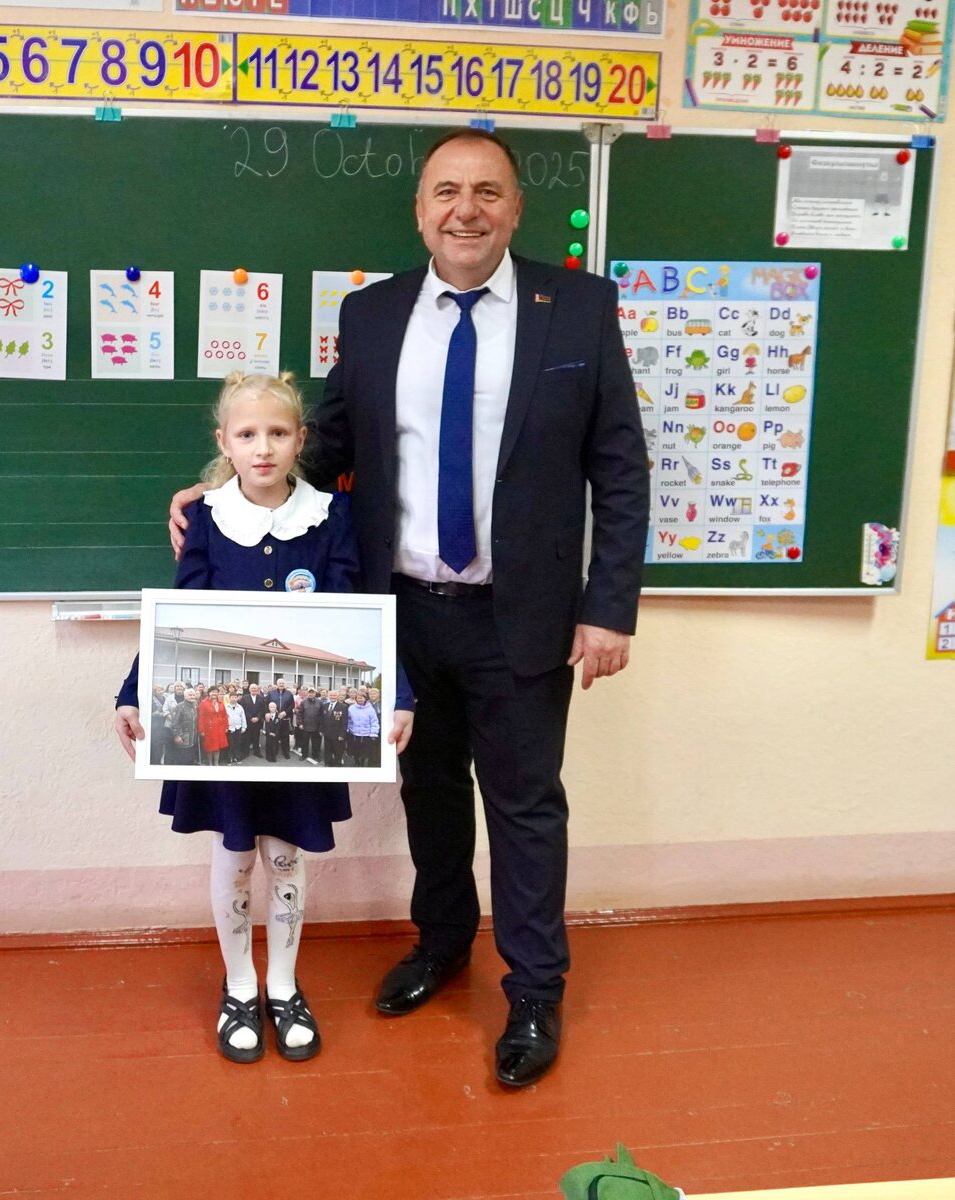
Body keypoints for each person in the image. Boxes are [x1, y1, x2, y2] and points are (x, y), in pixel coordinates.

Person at [170, 128, 649, 1087]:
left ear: (516, 207)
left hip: (524, 614)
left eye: (486, 192)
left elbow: (620, 466)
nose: (465, 210)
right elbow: (325, 441)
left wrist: (611, 608)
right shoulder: (374, 312)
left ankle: (534, 990)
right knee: (428, 792)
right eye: (446, 192)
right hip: (398, 612)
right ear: (421, 209)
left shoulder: (580, 308)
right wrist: (220, 490)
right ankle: (441, 945)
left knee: (525, 806)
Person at [117, 370, 414, 1065]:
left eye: (278, 433)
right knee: (235, 853)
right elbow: (181, 614)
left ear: (301, 440)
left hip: (300, 745)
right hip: (228, 741)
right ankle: (239, 985)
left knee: (284, 853)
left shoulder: (329, 517)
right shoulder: (208, 519)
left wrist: (399, 692)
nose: (263, 448)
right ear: (224, 441)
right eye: (247, 434)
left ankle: (283, 984)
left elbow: (357, 615)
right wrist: (132, 691)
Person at [346, 690, 381, 766]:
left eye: (361, 698)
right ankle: (356, 762)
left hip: (366, 734)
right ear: (356, 699)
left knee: (364, 751)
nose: (360, 699)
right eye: (358, 698)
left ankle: (362, 762)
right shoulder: (351, 708)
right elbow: (348, 720)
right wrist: (348, 729)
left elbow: (374, 722)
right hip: (354, 734)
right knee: (355, 750)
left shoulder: (370, 709)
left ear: (365, 699)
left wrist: (373, 733)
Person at [197, 688, 230, 766]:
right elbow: (200, 717)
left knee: (218, 746)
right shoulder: (203, 703)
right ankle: (210, 763)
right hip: (209, 729)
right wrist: (201, 730)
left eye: (216, 692)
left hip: (219, 728)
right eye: (212, 692)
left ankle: (216, 762)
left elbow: (224, 715)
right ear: (209, 693)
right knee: (210, 747)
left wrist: (226, 726)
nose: (214, 693)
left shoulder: (221, 703)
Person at [321, 689, 348, 766]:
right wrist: (321, 730)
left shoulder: (343, 707)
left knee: (338, 751)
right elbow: (322, 719)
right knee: (327, 750)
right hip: (327, 733)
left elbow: (344, 722)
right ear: (328, 696)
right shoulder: (325, 706)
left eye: (334, 695)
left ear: (338, 696)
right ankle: (327, 763)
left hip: (337, 734)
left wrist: (342, 734)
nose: (332, 697)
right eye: (331, 695)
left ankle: (337, 764)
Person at [240, 683, 265, 759]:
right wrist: (251, 718)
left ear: (257, 689)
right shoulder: (244, 698)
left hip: (257, 721)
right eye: (252, 688)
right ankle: (245, 752)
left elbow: (262, 709)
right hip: (248, 720)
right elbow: (243, 709)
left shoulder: (261, 698)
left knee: (256, 737)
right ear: (249, 689)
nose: (254, 689)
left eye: (255, 688)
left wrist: (258, 717)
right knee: (247, 737)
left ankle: (256, 752)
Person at [299, 687, 325, 762]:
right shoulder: (303, 702)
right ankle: (304, 755)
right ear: (308, 693)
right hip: (305, 726)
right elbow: (300, 714)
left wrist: (321, 726)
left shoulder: (320, 702)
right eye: (309, 692)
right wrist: (300, 723)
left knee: (316, 743)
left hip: (316, 727)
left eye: (312, 692)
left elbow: (322, 715)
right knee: (304, 742)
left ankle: (316, 755)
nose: (311, 694)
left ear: (315, 693)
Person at [225, 690, 247, 763]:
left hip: (238, 728)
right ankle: (229, 758)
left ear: (237, 698)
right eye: (232, 697)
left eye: (235, 697)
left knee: (237, 743)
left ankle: (236, 757)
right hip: (229, 728)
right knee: (230, 744)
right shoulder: (226, 707)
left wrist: (244, 727)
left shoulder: (240, 707)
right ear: (229, 698)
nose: (234, 699)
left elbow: (243, 717)